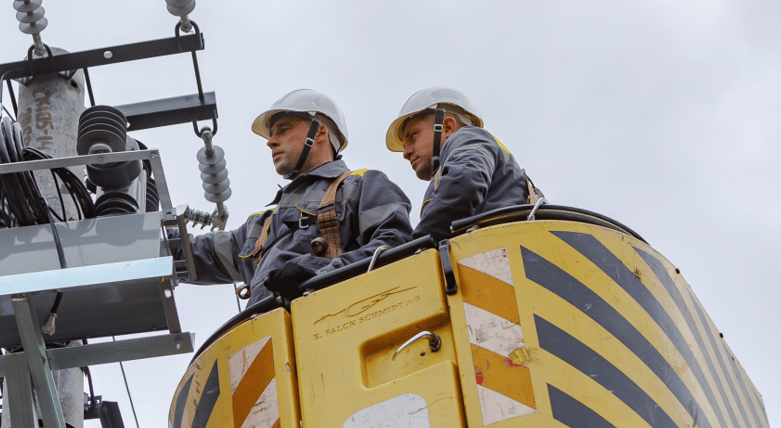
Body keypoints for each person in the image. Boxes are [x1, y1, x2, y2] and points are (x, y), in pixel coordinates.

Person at [187, 89, 412, 303]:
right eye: (272, 134)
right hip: (266, 336)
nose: (271, 141)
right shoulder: (261, 226)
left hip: (334, 327)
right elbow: (189, 255)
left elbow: (394, 246)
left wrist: (317, 274)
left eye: (283, 129)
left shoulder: (361, 185)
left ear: (320, 133)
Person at [384, 87, 540, 244]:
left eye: (413, 136)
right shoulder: (463, 164)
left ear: (448, 127)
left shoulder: (468, 138)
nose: (406, 153)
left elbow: (465, 183)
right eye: (404, 146)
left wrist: (415, 249)